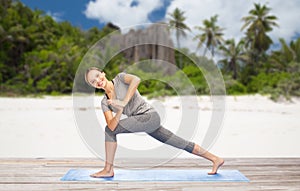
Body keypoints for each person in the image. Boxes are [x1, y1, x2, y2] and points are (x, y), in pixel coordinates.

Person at [85, 67, 224, 178]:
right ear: (93, 86)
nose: (97, 80)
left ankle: (108, 169)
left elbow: (136, 79)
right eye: (92, 81)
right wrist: (120, 109)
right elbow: (112, 125)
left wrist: (123, 102)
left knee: (109, 131)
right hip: (144, 123)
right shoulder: (105, 102)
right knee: (179, 142)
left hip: (150, 117)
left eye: (97, 76)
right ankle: (215, 159)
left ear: (103, 73)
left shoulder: (120, 79)